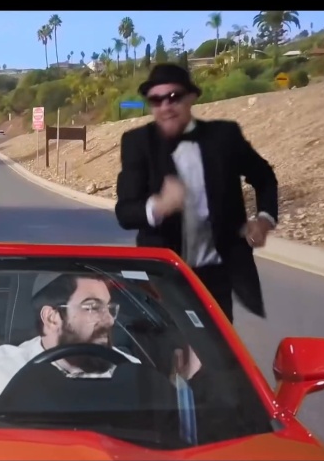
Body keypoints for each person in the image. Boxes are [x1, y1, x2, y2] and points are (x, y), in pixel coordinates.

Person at [114, 63, 279, 322]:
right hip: (163, 276)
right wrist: (159, 206)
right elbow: (125, 212)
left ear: (191, 97)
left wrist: (264, 220)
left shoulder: (224, 137)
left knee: (218, 346)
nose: (165, 106)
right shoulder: (137, 143)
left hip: (216, 275)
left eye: (173, 97)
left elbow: (264, 176)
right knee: (169, 345)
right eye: (156, 100)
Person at [0, 272, 202, 403]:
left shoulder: (128, 371)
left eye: (109, 308)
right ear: (52, 317)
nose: (109, 320)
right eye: (92, 307)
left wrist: (177, 392)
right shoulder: (0, 369)